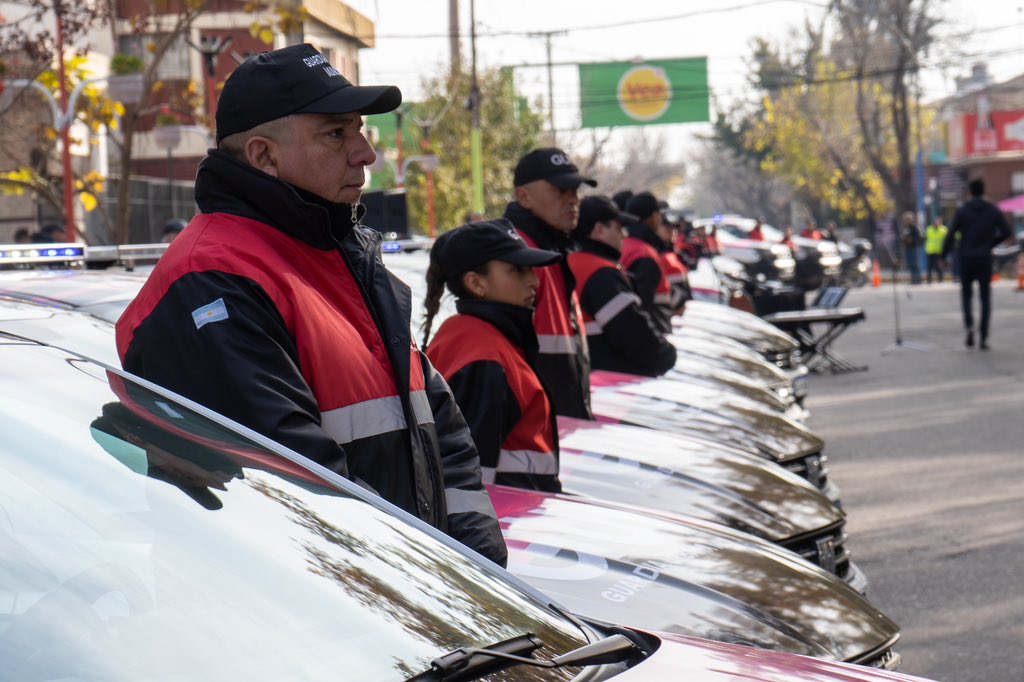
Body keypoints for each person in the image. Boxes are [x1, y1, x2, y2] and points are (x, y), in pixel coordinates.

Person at [115, 43, 506, 566]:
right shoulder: (212, 280)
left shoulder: (339, 259)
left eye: (359, 130)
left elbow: (445, 434)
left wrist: (479, 572)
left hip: (411, 614)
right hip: (315, 628)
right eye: (336, 133)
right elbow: (301, 495)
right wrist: (432, 591)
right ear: (263, 156)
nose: (364, 152)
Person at [423, 220, 563, 492]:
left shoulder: (470, 336)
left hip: (515, 514)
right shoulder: (484, 358)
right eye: (518, 270)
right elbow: (471, 486)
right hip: (508, 521)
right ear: (476, 283)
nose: (534, 281)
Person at [502, 147, 596, 419]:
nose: (572, 201)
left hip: (559, 427)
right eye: (559, 191)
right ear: (524, 197)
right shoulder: (517, 254)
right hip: (540, 431)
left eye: (575, 192)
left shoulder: (551, 249)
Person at [569, 195, 677, 377]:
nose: (624, 235)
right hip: (609, 382)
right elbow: (637, 338)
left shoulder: (569, 262)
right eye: (619, 228)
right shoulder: (600, 274)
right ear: (599, 230)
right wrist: (667, 355)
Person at [943, 178, 1012, 350]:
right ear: (983, 191)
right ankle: (984, 336)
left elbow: (951, 234)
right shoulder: (992, 210)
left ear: (970, 192)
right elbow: (1007, 232)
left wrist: (943, 255)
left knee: (966, 295)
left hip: (966, 258)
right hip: (984, 259)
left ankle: (969, 327)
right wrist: (991, 243)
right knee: (985, 298)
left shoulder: (962, 211)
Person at [622, 191, 675, 334]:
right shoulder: (645, 253)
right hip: (652, 330)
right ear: (653, 217)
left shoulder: (625, 245)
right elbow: (642, 306)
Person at [900, 210, 923, 284]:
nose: (906, 221)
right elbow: (903, 238)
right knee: (910, 264)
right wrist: (904, 239)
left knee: (915, 264)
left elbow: (920, 238)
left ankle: (918, 279)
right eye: (905, 220)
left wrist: (912, 240)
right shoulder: (906, 228)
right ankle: (913, 279)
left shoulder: (915, 228)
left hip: (914, 248)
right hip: (908, 248)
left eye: (908, 219)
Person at [924, 217, 949, 284]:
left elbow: (947, 238)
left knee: (938, 266)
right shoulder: (929, 229)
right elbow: (925, 237)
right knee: (929, 266)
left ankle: (940, 279)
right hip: (930, 250)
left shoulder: (943, 230)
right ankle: (929, 279)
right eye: (935, 223)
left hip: (938, 250)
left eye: (938, 223)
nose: (936, 224)